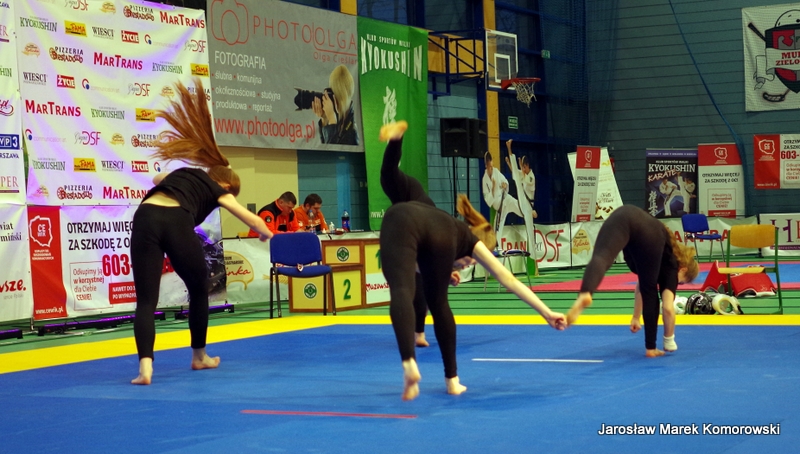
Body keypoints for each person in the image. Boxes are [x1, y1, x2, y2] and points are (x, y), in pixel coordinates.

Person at [130, 78, 273, 385]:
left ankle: (145, 368)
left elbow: (157, 178)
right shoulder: (217, 189)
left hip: (145, 216)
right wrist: (267, 234)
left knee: (146, 300)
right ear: (226, 185)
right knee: (198, 288)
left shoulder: (184, 172)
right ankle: (199, 357)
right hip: (175, 219)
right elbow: (251, 219)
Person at [565, 205, 699, 357]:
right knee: (650, 290)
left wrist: (636, 317)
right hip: (650, 232)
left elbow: (640, 286)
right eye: (681, 282)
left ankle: (586, 292)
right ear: (683, 269)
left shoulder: (657, 261)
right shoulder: (672, 267)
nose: (677, 285)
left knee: (602, 257)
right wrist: (669, 339)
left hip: (622, 215)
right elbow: (667, 308)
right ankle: (651, 348)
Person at [379, 121, 453, 349]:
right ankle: (418, 333)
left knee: (417, 285)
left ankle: (418, 333)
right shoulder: (439, 232)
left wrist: (449, 269)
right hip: (418, 209)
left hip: (418, 215)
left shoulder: (435, 235)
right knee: (388, 176)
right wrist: (449, 269)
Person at [504, 139, 537, 257]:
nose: (523, 169)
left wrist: (519, 167)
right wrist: (509, 162)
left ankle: (533, 256)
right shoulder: (523, 174)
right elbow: (515, 172)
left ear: (527, 166)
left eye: (524, 167)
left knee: (530, 230)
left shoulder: (531, 177)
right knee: (515, 184)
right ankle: (509, 147)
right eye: (522, 167)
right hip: (520, 203)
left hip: (527, 206)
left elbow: (521, 175)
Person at [482, 151, 522, 246]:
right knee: (497, 232)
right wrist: (492, 189)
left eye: (491, 165)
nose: (491, 168)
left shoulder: (496, 172)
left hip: (505, 199)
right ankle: (497, 249)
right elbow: (488, 200)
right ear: (486, 165)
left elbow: (505, 181)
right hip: (499, 207)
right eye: (489, 166)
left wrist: (505, 184)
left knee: (520, 207)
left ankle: (530, 212)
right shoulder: (485, 180)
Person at [312, 64, 359, 145]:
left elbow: (333, 150)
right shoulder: (342, 117)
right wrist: (325, 120)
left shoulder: (353, 130)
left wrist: (332, 120)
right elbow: (324, 147)